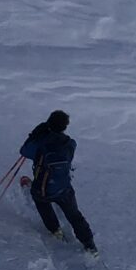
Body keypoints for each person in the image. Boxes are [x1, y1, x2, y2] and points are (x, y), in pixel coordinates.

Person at [19, 109, 97, 255]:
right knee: (75, 215)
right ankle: (89, 245)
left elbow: (24, 151)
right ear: (65, 126)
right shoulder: (70, 143)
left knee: (41, 201)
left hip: (42, 189)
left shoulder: (41, 142)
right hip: (64, 189)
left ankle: (55, 230)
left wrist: (34, 135)